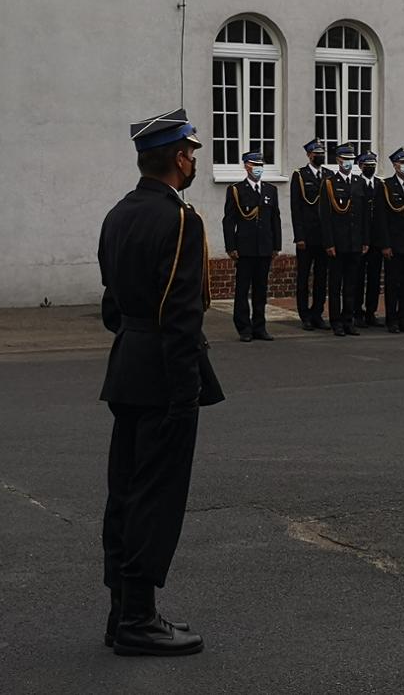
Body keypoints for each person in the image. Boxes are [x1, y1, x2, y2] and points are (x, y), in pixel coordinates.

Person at [96, 108, 220, 658]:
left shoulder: (118, 214)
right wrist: (184, 387)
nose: (194, 160)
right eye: (191, 153)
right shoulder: (180, 218)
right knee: (156, 496)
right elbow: (181, 312)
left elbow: (111, 308)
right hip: (164, 373)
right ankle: (139, 620)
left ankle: (121, 609)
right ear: (177, 157)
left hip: (127, 365)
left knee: (125, 491)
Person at [220, 151, 280, 342]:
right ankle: (244, 328)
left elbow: (275, 219)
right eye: (255, 164)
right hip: (244, 248)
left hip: (264, 247)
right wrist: (231, 246)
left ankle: (260, 327)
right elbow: (229, 221)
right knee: (242, 290)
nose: (258, 168)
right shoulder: (237, 190)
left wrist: (276, 245)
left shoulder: (270, 190)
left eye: (261, 164)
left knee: (261, 290)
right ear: (246, 166)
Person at [372, 148, 404, 334]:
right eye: (403, 163)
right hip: (394, 244)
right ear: (395, 165)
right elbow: (381, 219)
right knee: (393, 284)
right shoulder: (385, 186)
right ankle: (392, 320)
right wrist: (385, 245)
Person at [320, 145, 370, 336]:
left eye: (351, 159)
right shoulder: (329, 183)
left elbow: (364, 215)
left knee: (352, 284)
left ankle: (348, 320)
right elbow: (325, 217)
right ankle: (336, 322)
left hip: (355, 242)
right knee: (335, 285)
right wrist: (329, 243)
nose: (348, 162)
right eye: (345, 159)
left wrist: (365, 240)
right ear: (338, 161)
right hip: (338, 244)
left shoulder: (359, 182)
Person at [290, 139, 330, 330]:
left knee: (322, 278)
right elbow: (296, 208)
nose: (320, 155)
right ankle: (304, 314)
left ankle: (317, 313)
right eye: (316, 153)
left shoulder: (329, 175)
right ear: (309, 155)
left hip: (324, 237)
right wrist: (299, 236)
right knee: (304, 278)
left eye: (322, 152)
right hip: (306, 236)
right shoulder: (300, 175)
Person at [356, 150, 384, 328]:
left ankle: (371, 311)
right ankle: (356, 312)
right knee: (358, 278)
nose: (370, 168)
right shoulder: (356, 184)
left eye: (373, 165)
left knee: (374, 278)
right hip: (359, 239)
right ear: (360, 166)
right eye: (367, 165)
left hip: (376, 239)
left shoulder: (380, 185)